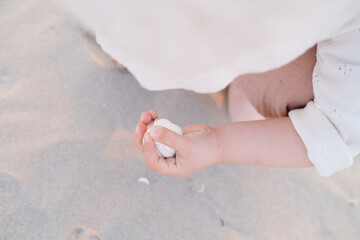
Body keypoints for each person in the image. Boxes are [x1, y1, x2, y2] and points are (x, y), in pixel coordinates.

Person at [56, 0, 360, 176]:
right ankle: (116, 39)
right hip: (128, 21)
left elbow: (336, 129)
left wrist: (218, 144)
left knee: (308, 100)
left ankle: (243, 75)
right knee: (110, 33)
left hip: (267, 46)